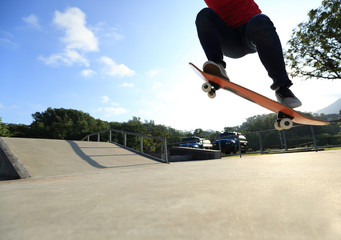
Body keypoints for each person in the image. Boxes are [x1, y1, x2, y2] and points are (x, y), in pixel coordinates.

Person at [195, 0, 302, 108]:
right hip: (229, 40)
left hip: (252, 32)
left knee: (260, 19)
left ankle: (283, 89)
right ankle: (216, 68)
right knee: (204, 14)